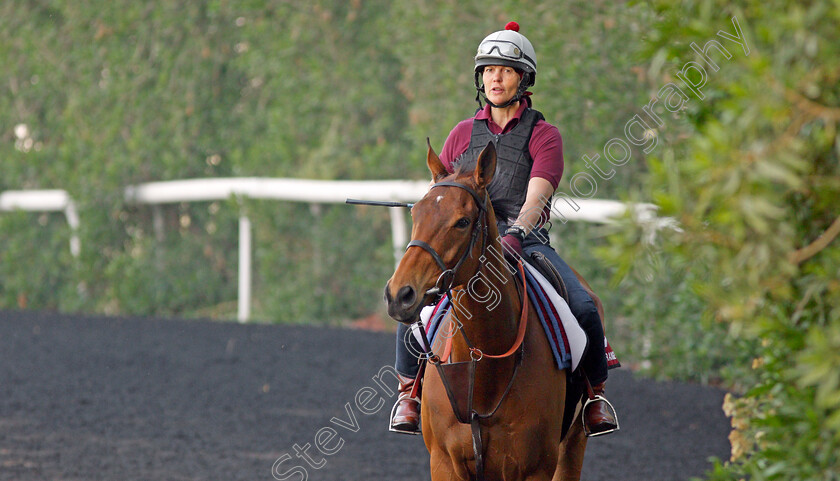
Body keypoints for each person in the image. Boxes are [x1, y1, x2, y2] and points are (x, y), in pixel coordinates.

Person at [390, 22, 618, 437]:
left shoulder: (543, 135)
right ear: (481, 79)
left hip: (525, 245)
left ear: (523, 79)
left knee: (584, 306)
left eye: (506, 70)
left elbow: (536, 200)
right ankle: (410, 392)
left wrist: (514, 234)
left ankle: (595, 396)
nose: (495, 78)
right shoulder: (462, 133)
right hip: (467, 247)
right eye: (489, 70)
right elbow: (442, 191)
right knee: (420, 312)